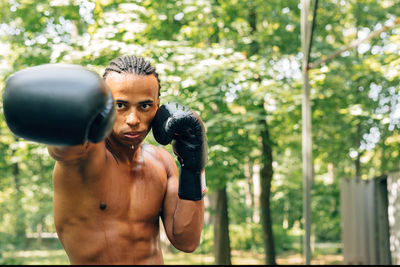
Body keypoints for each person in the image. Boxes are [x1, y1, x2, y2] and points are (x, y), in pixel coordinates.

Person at [2, 55, 207, 264]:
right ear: (104, 106)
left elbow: (187, 241)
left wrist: (193, 166)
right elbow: (62, 151)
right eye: (121, 105)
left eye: (144, 106)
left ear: (158, 106)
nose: (133, 119)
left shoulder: (163, 162)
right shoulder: (85, 156)